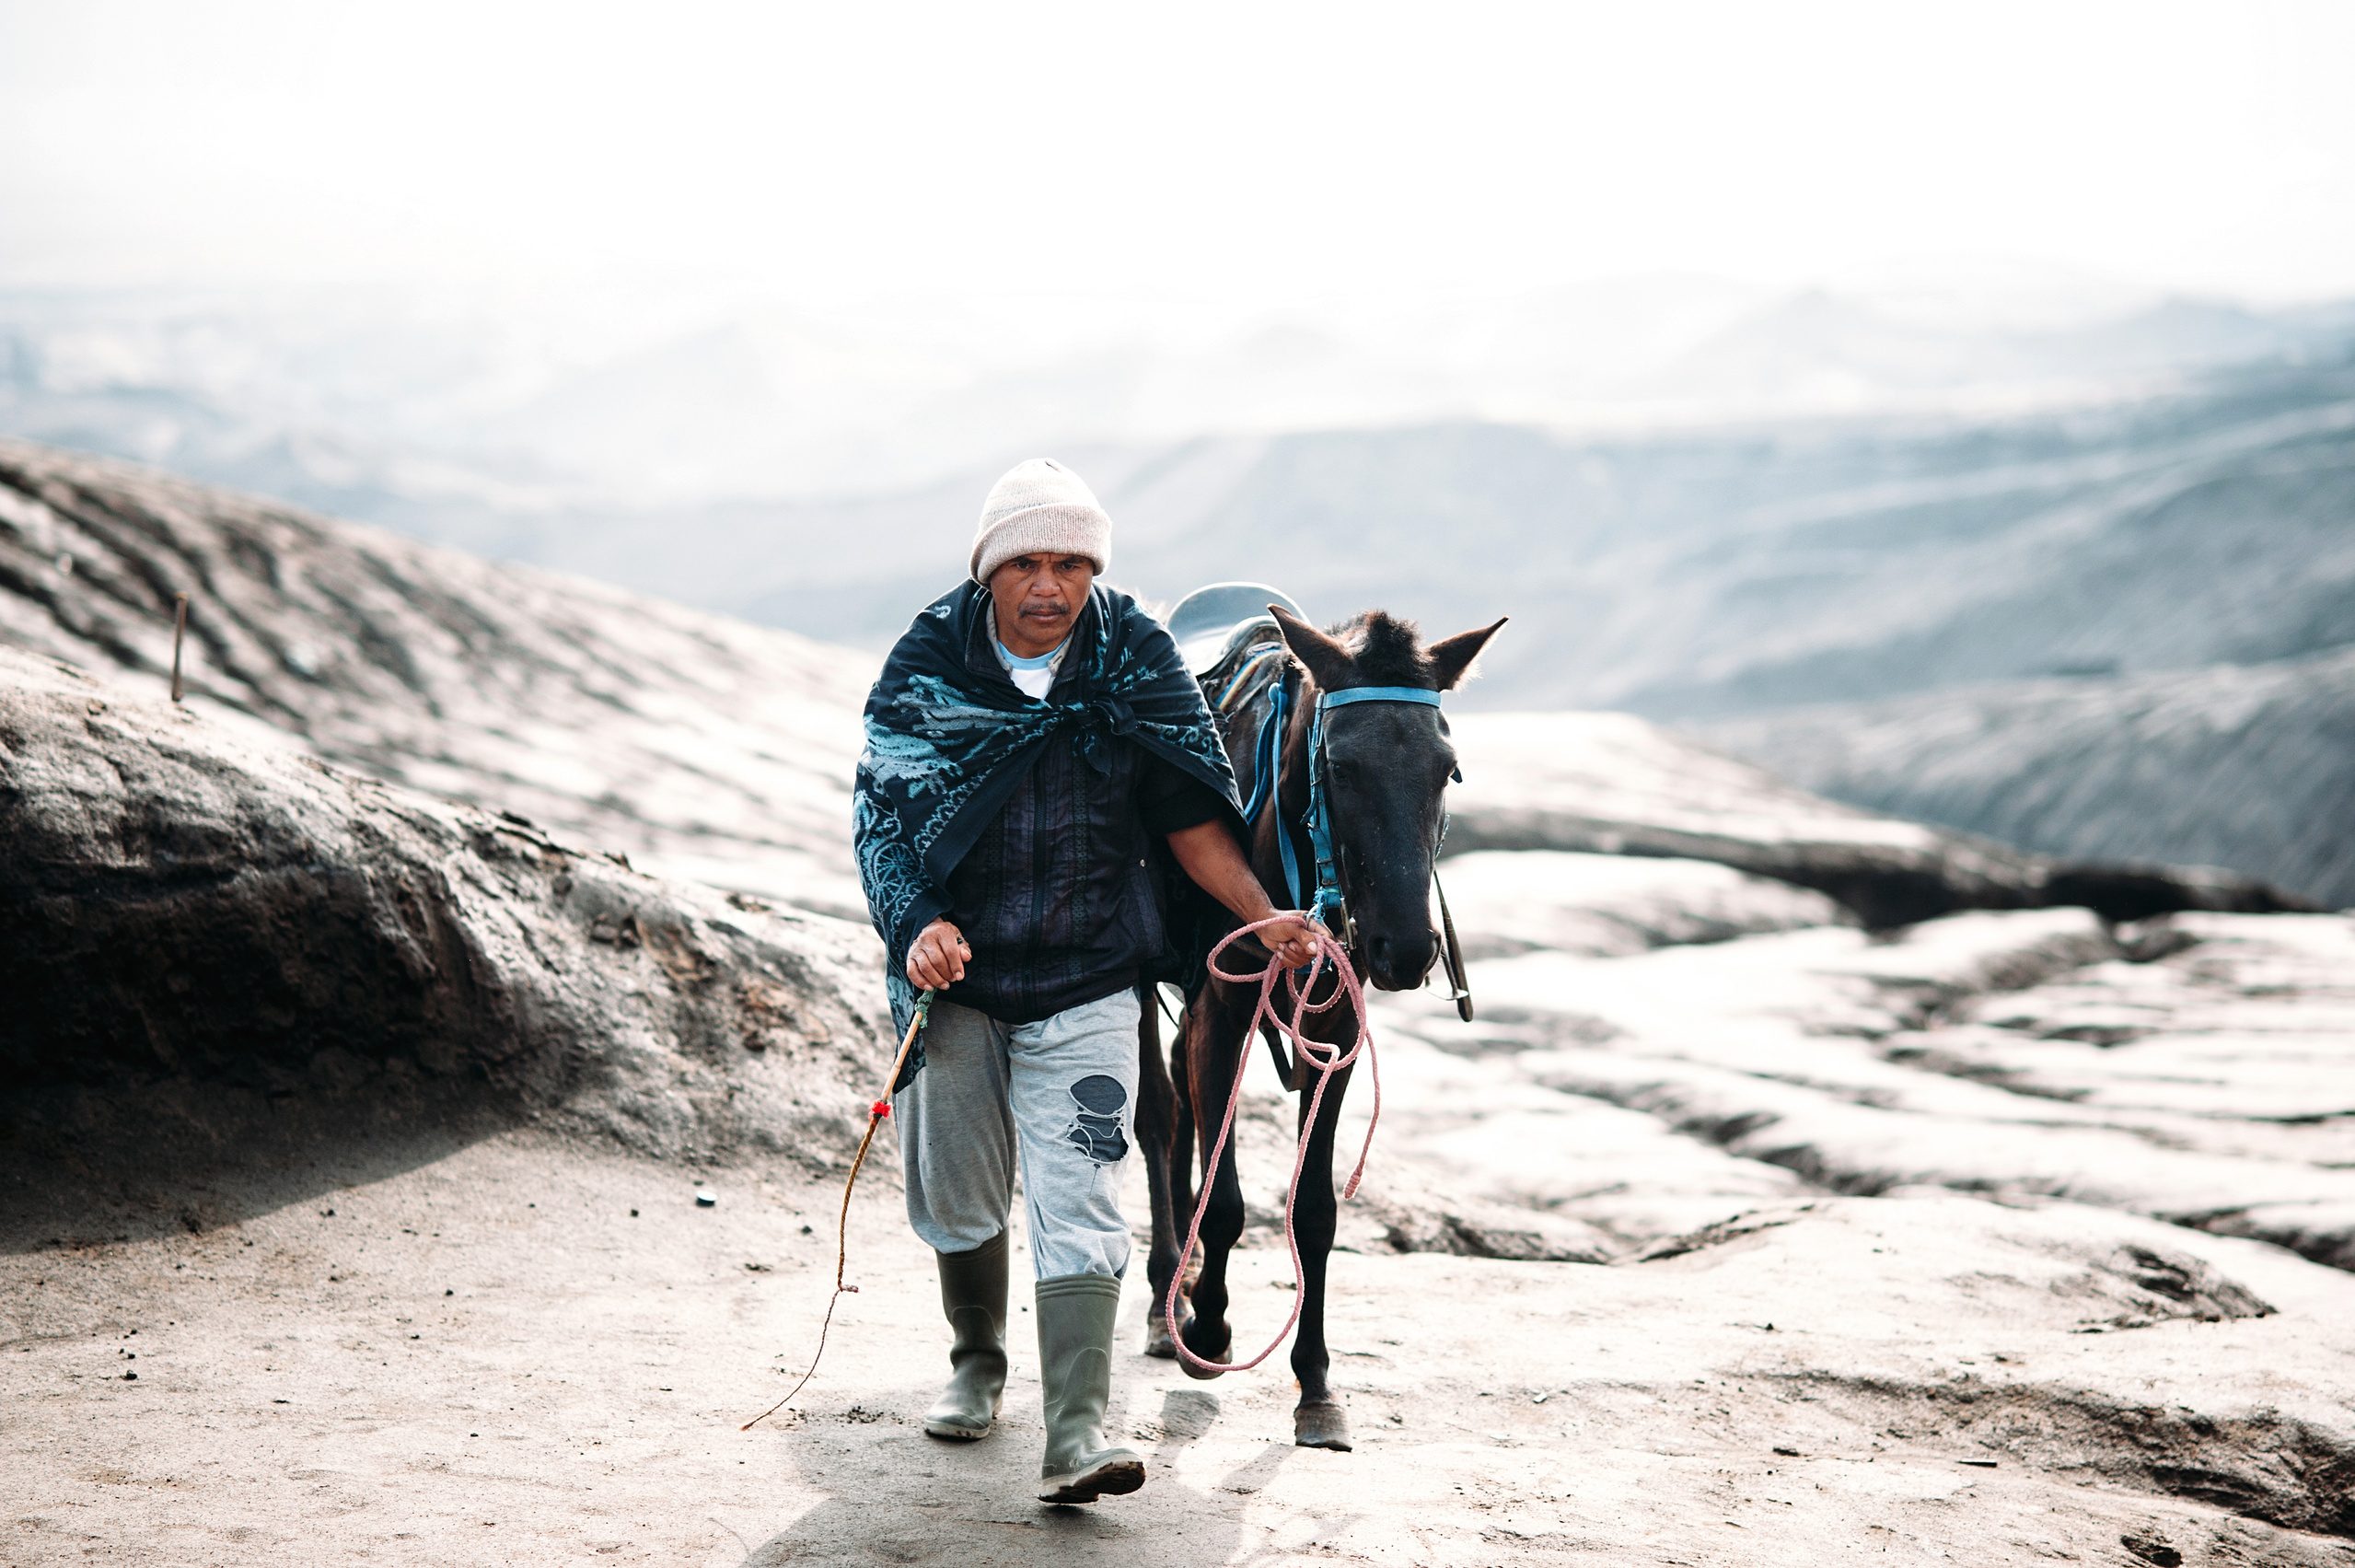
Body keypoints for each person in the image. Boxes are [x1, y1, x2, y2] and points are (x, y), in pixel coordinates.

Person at [853, 458, 1318, 1505]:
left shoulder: (1134, 656)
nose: (1049, 583)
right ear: (989, 569)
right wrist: (915, 924)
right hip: (956, 983)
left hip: (1089, 977)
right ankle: (975, 1362)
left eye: (1071, 560)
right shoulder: (930, 657)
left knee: (1081, 1196)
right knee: (960, 1191)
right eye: (1026, 559)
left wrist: (1261, 914)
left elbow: (1191, 822)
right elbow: (881, 814)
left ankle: (1076, 1428)